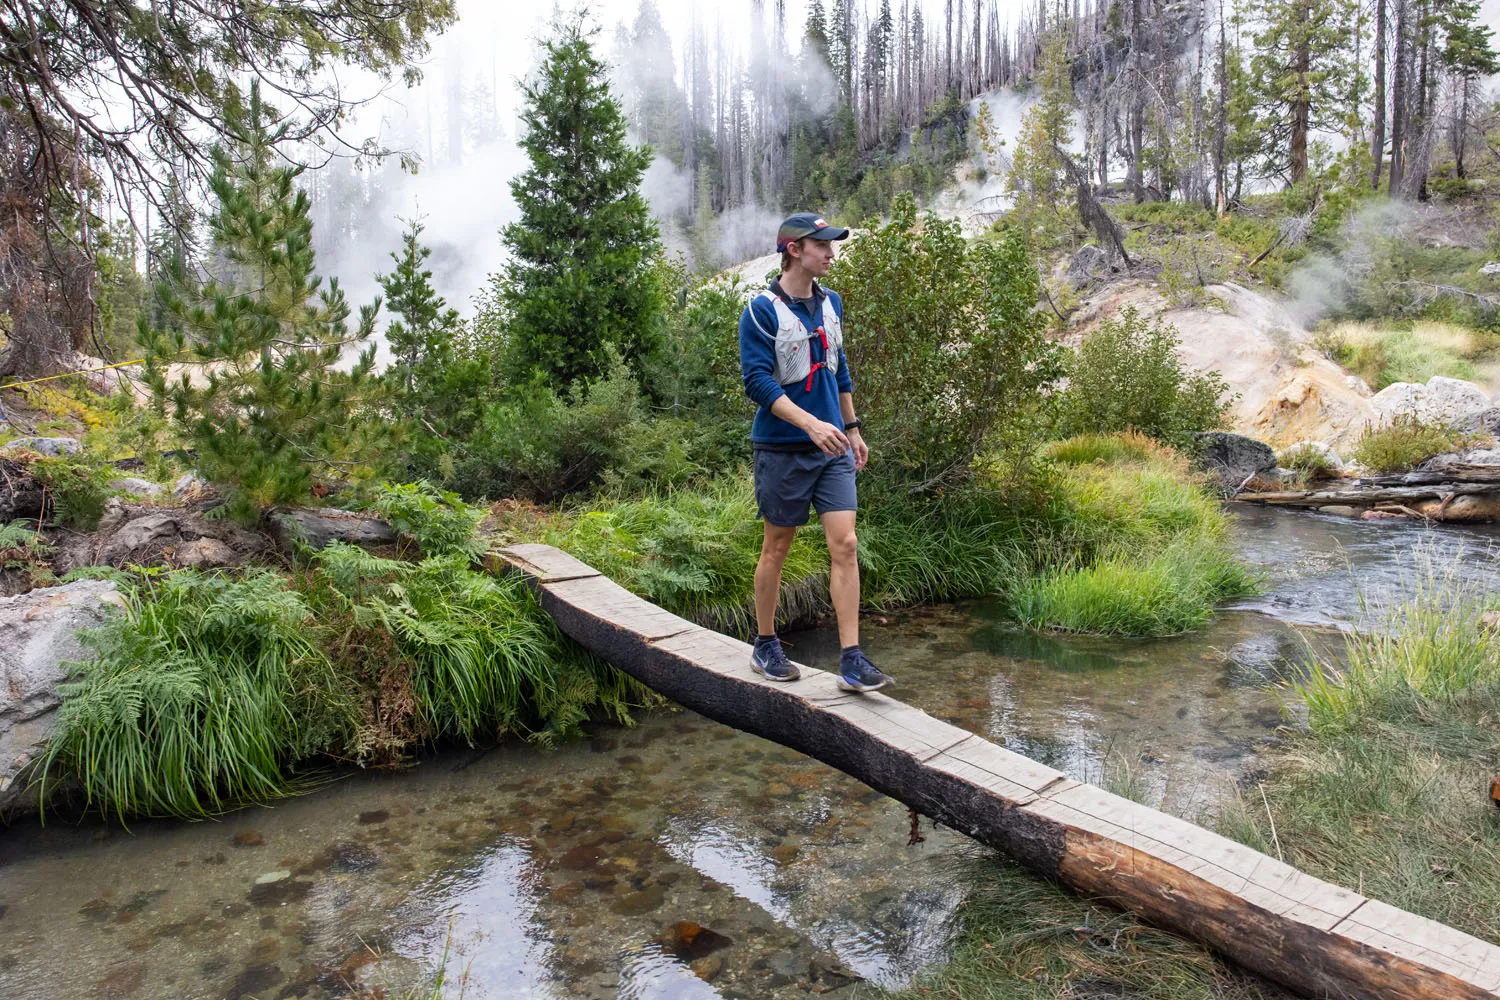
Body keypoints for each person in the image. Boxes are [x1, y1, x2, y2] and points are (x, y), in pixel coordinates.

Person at [737, 213, 894, 693]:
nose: (830, 252)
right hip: (783, 448)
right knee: (777, 547)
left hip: (834, 448)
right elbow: (757, 382)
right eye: (820, 244)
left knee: (845, 545)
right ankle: (765, 644)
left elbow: (838, 368)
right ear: (793, 250)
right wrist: (809, 424)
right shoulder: (760, 311)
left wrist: (851, 427)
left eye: (831, 244)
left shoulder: (833, 304)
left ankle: (852, 659)